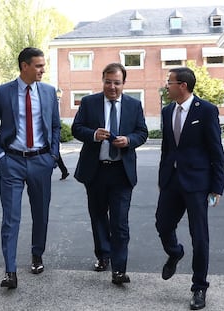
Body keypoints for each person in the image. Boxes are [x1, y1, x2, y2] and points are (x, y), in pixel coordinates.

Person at [0, 47, 60, 289]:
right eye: (38, 65)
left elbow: (56, 126)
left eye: (43, 65)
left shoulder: (48, 92)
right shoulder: (3, 92)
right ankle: (10, 271)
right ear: (24, 66)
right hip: (12, 162)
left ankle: (37, 254)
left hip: (41, 161)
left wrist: (53, 155)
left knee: (41, 214)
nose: (43, 70)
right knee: (11, 218)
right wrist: (1, 156)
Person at [155, 67, 224, 310]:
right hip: (171, 181)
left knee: (200, 236)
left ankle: (199, 288)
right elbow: (167, 148)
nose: (167, 85)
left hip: (197, 183)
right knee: (162, 224)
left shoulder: (205, 110)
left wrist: (217, 186)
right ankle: (175, 252)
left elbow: (216, 150)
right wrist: (162, 176)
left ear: (182, 85)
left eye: (170, 82)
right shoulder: (167, 111)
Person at [72, 63, 148, 285]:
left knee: (120, 222)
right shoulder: (88, 102)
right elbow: (76, 128)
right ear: (102, 80)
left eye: (117, 83)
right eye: (108, 82)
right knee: (98, 217)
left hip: (121, 172)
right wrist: (94, 134)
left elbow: (142, 132)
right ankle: (103, 255)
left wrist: (129, 141)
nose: (112, 87)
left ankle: (119, 268)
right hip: (95, 171)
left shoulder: (134, 105)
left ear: (124, 83)